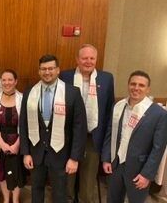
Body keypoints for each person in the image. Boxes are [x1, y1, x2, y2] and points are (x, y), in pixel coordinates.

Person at [19, 54, 87, 203]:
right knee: (36, 189)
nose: (47, 72)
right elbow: (23, 124)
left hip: (61, 153)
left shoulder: (72, 93)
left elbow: (79, 128)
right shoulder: (30, 92)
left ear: (58, 70)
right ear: (39, 71)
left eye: (51, 68)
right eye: (43, 69)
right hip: (36, 152)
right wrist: (25, 153)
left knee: (60, 192)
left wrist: (74, 158)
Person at [60, 44, 115, 202]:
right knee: (67, 178)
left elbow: (109, 108)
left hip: (93, 136)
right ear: (77, 59)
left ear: (96, 59)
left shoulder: (106, 78)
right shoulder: (65, 76)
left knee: (88, 180)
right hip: (69, 136)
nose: (88, 61)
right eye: (84, 58)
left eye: (92, 58)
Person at [102, 70, 167, 203]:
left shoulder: (158, 114)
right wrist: (106, 158)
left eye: (141, 85)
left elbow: (158, 148)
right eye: (133, 84)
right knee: (112, 199)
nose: (136, 88)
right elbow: (110, 133)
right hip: (117, 164)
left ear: (148, 89)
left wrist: (147, 174)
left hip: (139, 169)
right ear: (128, 85)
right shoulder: (118, 106)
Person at [0, 69, 26, 203]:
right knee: (1, 171)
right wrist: (2, 144)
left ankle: (15, 200)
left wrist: (16, 145)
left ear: (16, 81)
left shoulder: (23, 98)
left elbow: (26, 125)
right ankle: (5, 199)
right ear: (1, 82)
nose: (7, 83)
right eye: (4, 80)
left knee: (16, 170)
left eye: (10, 80)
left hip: (18, 141)